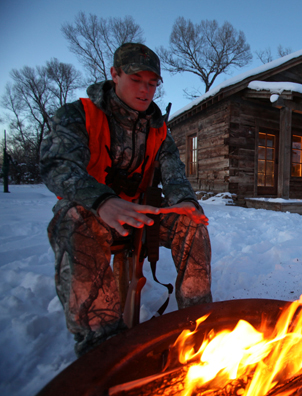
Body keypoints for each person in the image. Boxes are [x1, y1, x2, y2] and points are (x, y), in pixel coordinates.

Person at [40, 43, 212, 357]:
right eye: (136, 79)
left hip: (142, 214)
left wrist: (185, 200)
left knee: (191, 220)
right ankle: (102, 345)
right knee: (73, 218)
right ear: (114, 75)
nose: (145, 90)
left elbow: (174, 174)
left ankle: (197, 324)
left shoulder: (160, 130)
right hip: (92, 212)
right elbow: (58, 165)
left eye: (152, 83)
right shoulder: (78, 115)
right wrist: (103, 201)